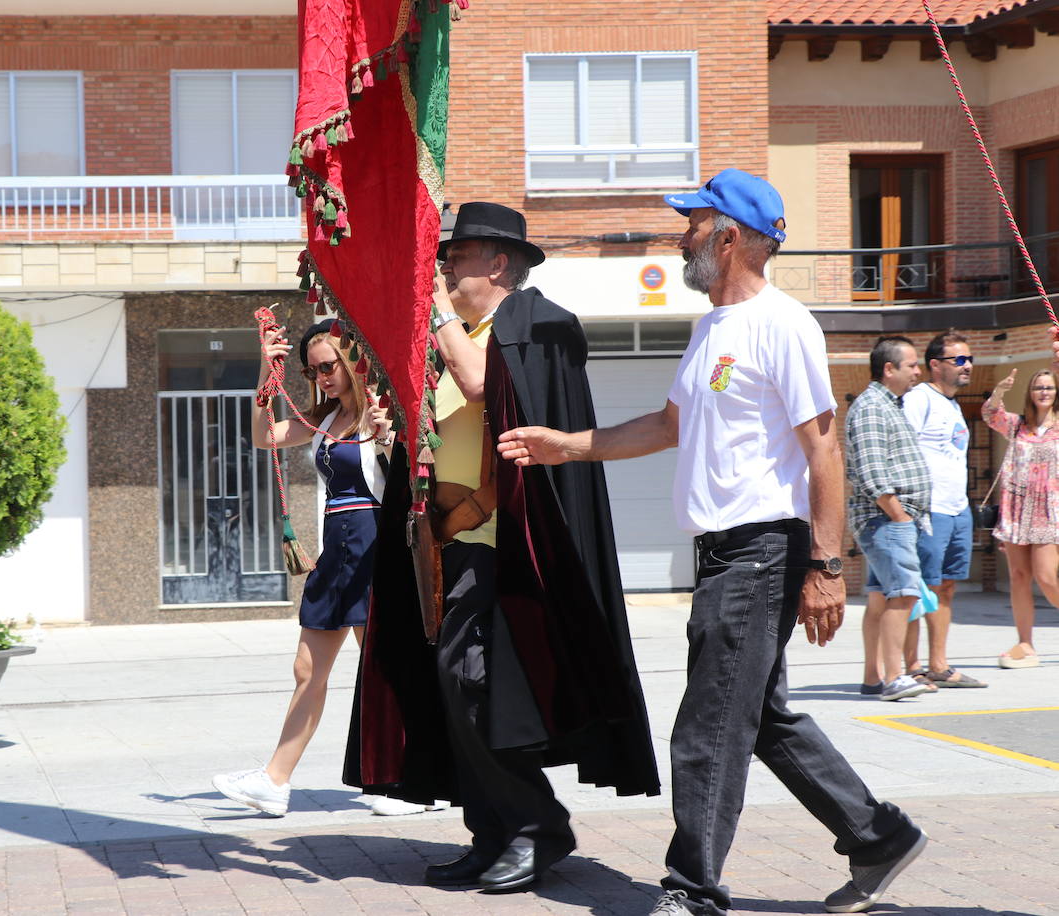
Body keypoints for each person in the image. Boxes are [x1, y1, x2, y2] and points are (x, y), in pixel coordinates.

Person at [496, 169, 927, 916]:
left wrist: (827, 565)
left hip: (762, 548)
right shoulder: (710, 329)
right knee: (759, 718)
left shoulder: (784, 324)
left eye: (693, 222)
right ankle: (876, 836)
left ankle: (693, 890)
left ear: (729, 237)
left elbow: (823, 448)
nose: (681, 234)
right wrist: (566, 444)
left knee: (707, 726)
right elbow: (668, 427)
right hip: (725, 552)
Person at [345, 201, 660, 893]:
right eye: (443, 258)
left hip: (508, 544)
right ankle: (495, 834)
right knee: (454, 689)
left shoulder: (534, 323)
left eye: (455, 257)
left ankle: (536, 827)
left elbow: (484, 385)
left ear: (497, 262)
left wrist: (431, 305)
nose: (445, 267)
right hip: (449, 543)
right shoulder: (461, 332)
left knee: (471, 682)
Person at [211, 319, 394, 817]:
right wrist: (264, 375)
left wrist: (386, 435)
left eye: (328, 366)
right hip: (336, 549)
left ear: (353, 361)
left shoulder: (384, 410)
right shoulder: (324, 418)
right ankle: (274, 781)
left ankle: (396, 781)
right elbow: (265, 436)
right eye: (312, 371)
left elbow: (413, 473)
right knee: (306, 669)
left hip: (375, 545)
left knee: (380, 670)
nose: (321, 378)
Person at [843, 336, 931, 702]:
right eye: (911, 364)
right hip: (887, 521)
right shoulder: (871, 408)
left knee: (882, 599)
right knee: (904, 595)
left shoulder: (888, 405)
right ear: (889, 368)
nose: (918, 371)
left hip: (890, 521)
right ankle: (895, 677)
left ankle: (873, 677)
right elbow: (872, 471)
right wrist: (899, 517)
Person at [900, 331, 987, 689]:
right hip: (928, 509)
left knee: (947, 586)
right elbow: (902, 449)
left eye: (969, 359)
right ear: (935, 365)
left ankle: (939, 664)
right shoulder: (919, 398)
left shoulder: (952, 405)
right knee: (920, 587)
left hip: (957, 508)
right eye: (959, 359)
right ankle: (911, 666)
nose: (967, 366)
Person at [982, 367, 1059, 669]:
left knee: (1047, 576)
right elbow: (990, 414)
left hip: (1049, 512)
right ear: (1030, 392)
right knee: (1019, 577)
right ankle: (1025, 643)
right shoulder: (1017, 425)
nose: (1043, 392)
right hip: (1016, 509)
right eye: (1038, 387)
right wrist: (1000, 390)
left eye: (1049, 388)